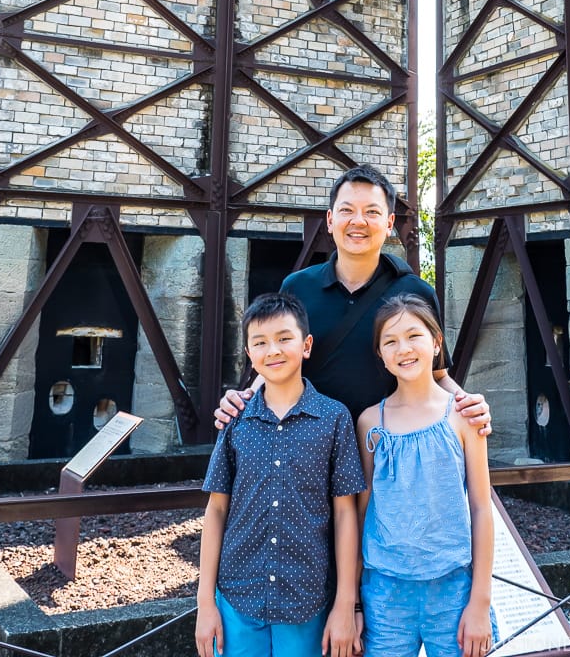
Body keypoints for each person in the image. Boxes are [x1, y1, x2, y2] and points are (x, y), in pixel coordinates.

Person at [215, 164, 492, 429]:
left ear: (389, 223)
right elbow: (276, 362)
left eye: (372, 212)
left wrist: (469, 405)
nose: (358, 221)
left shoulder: (416, 292)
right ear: (330, 219)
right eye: (347, 210)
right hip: (311, 447)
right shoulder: (297, 287)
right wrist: (243, 399)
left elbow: (436, 374)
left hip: (388, 444)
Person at [196, 292, 364, 657]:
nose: (273, 350)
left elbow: (345, 513)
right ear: (249, 353)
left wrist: (345, 605)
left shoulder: (334, 419)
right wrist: (205, 601)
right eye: (260, 342)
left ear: (306, 345)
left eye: (284, 339)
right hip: (238, 596)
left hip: (306, 598)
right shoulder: (236, 420)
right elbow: (216, 510)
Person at [356, 293, 495, 657]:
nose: (404, 348)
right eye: (390, 341)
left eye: (414, 336)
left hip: (453, 589)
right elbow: (361, 511)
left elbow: (481, 506)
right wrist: (353, 603)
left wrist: (480, 601)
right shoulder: (371, 422)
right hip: (385, 592)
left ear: (436, 343)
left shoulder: (464, 416)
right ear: (381, 356)